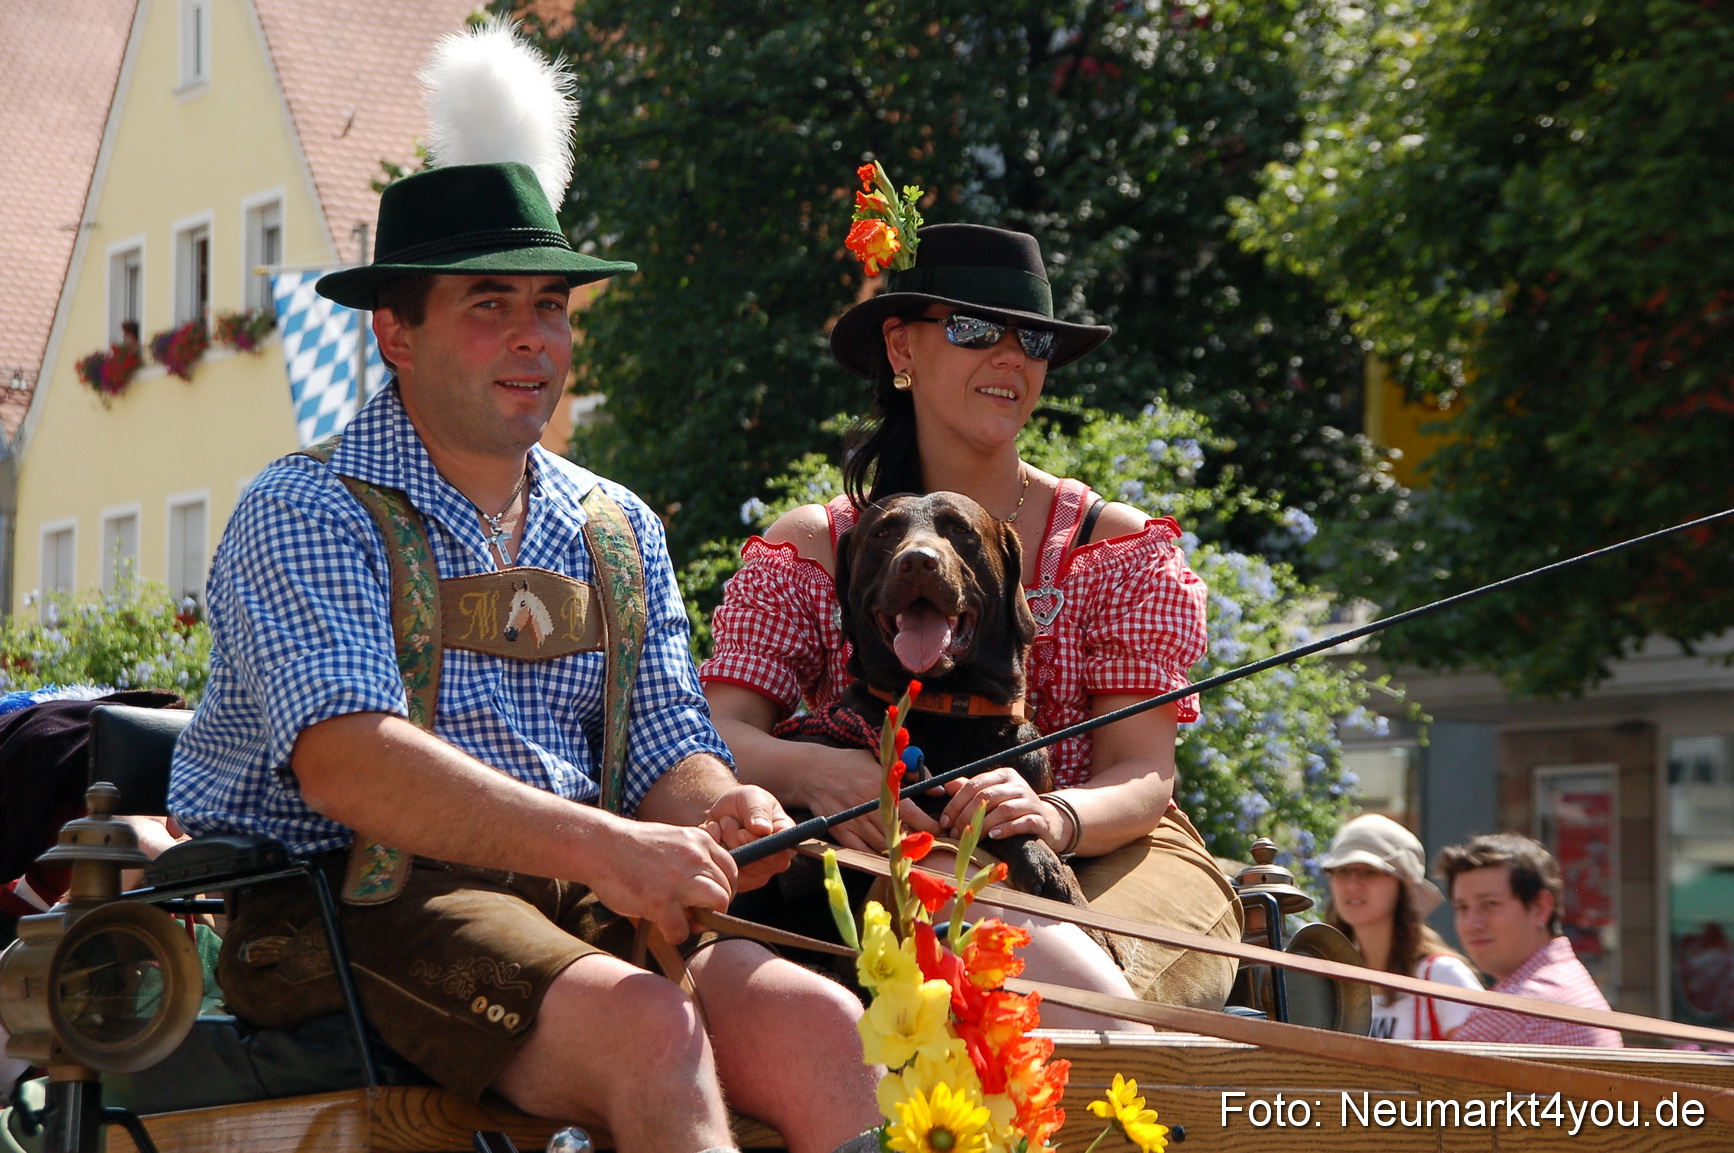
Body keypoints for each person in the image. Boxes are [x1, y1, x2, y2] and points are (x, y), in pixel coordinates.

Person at [167, 25, 878, 1153]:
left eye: (550, 304)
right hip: (343, 905)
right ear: (394, 331)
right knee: (652, 1031)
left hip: (582, 896)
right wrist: (609, 850)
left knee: (824, 1023)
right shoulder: (308, 506)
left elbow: (665, 748)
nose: (532, 337)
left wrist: (720, 812)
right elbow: (351, 761)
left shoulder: (616, 524)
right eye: (488, 304)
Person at [702, 208, 1243, 1019]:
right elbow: (717, 735)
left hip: (1106, 846)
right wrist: (817, 771)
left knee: (1071, 988)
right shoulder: (815, 545)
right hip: (882, 846)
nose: (1009, 357)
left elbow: (1142, 774)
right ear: (900, 348)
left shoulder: (1117, 546)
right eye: (973, 327)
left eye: (1033, 340)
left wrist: (1053, 814)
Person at [1435, 833, 1622, 1047]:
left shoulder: (1518, 1007)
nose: (1472, 923)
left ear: (1540, 908)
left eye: (1489, 904)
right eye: (1462, 908)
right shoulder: (1566, 979)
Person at [1321, 813, 1480, 1040]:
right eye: (1342, 871)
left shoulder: (1440, 975)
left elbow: (1484, 1066)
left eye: (1370, 872)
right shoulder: (1327, 980)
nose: (1353, 884)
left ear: (1403, 887)